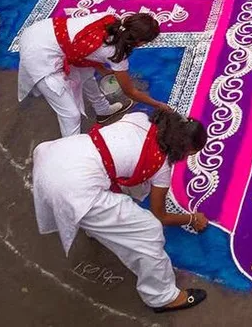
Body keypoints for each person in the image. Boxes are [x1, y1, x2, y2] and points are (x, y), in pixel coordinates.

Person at [32, 110, 211, 313]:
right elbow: (160, 215)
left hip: (57, 155)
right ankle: (162, 296)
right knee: (148, 231)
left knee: (113, 196)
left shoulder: (140, 119)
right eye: (190, 154)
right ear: (183, 149)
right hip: (72, 187)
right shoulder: (161, 166)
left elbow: (123, 164)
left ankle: (93, 228)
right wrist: (191, 218)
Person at [18, 12, 170, 138]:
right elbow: (130, 91)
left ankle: (102, 109)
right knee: (70, 114)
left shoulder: (109, 19)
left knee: (86, 72)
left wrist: (102, 69)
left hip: (41, 31)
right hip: (40, 55)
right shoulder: (116, 53)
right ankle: (70, 151)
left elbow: (85, 48)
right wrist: (158, 104)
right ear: (140, 42)